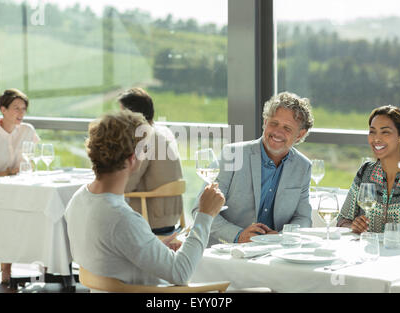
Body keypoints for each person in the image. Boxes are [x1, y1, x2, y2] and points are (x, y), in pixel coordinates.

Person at [64, 110, 225, 287]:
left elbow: (111, 251)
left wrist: (152, 245)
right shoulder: (121, 218)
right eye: (145, 149)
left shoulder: (78, 199)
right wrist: (205, 215)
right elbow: (181, 273)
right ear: (133, 159)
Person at [192, 91, 314, 246]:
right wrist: (238, 235)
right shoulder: (233, 155)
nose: (277, 132)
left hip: (273, 254)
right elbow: (200, 210)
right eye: (273, 123)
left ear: (300, 134)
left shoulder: (303, 167)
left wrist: (282, 237)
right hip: (226, 250)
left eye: (287, 128)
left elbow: (303, 218)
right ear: (264, 122)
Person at [0, 88, 40, 284]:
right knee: (10, 214)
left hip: (21, 189)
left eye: (24, 108)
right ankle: (7, 269)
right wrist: (10, 172)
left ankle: (48, 266)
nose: (21, 113)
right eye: (16, 108)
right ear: (3, 109)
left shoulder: (28, 131)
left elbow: (34, 162)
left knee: (44, 209)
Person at [118, 87, 184, 235]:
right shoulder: (163, 131)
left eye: (121, 113)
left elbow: (125, 185)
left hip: (152, 219)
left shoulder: (145, 137)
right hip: (171, 216)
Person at [337, 105, 400, 233]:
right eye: (372, 131)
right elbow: (342, 220)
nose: (376, 139)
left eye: (385, 132)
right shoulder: (365, 172)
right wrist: (353, 226)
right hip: (369, 252)